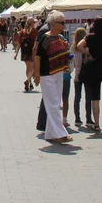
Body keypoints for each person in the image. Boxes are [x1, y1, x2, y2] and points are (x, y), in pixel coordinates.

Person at [35, 12, 72, 144]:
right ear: (53, 24)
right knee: (53, 104)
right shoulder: (45, 38)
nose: (63, 25)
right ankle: (60, 133)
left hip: (59, 73)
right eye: (61, 23)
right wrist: (36, 74)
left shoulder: (61, 38)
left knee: (55, 103)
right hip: (47, 74)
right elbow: (37, 56)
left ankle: (51, 133)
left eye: (64, 22)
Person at [70, 27, 93, 128]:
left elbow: (73, 64)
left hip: (77, 75)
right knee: (88, 97)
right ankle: (88, 119)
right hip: (88, 75)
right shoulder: (87, 49)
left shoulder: (73, 48)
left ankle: (77, 119)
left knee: (77, 97)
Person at [19, 18, 38, 92]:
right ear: (32, 23)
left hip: (24, 51)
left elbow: (19, 43)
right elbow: (37, 42)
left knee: (28, 68)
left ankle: (30, 83)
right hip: (32, 50)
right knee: (33, 68)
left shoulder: (22, 31)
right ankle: (27, 80)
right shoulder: (35, 31)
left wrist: (16, 53)